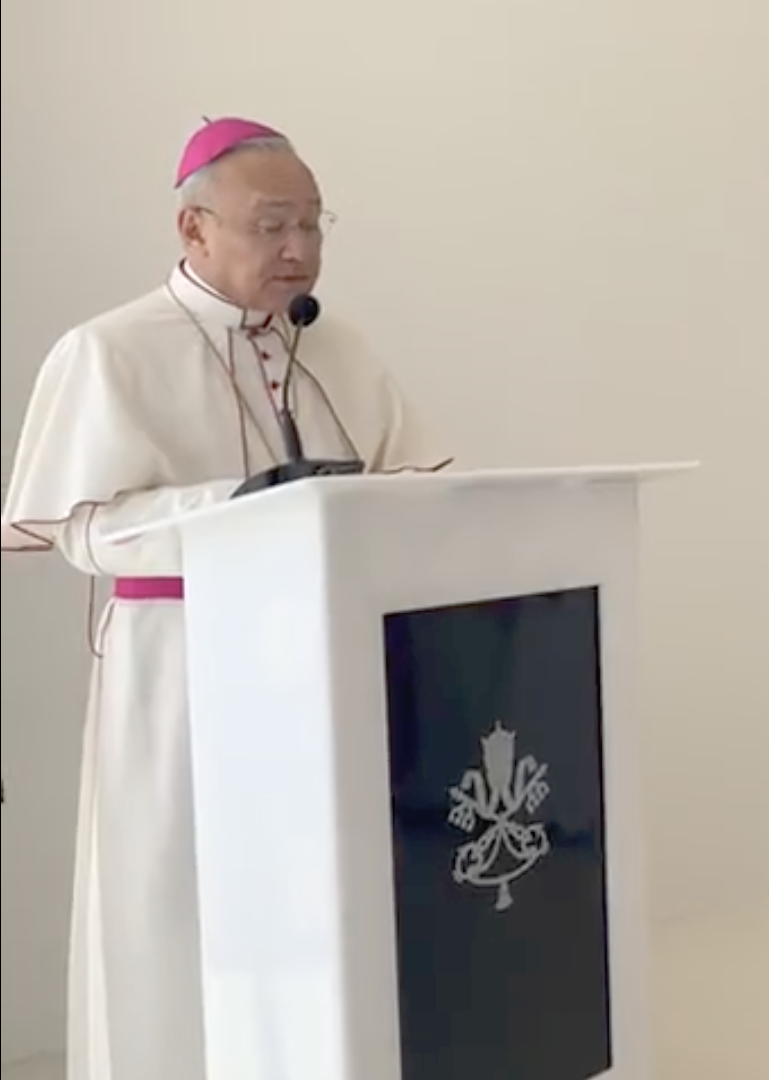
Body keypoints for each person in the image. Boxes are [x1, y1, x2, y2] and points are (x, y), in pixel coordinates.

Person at [0, 117, 449, 1078]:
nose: (299, 249)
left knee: (323, 899)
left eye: (314, 225)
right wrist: (243, 506)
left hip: (329, 663)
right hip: (181, 667)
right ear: (193, 228)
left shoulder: (337, 345)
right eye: (272, 225)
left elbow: (413, 485)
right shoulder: (108, 351)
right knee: (176, 905)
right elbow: (80, 530)